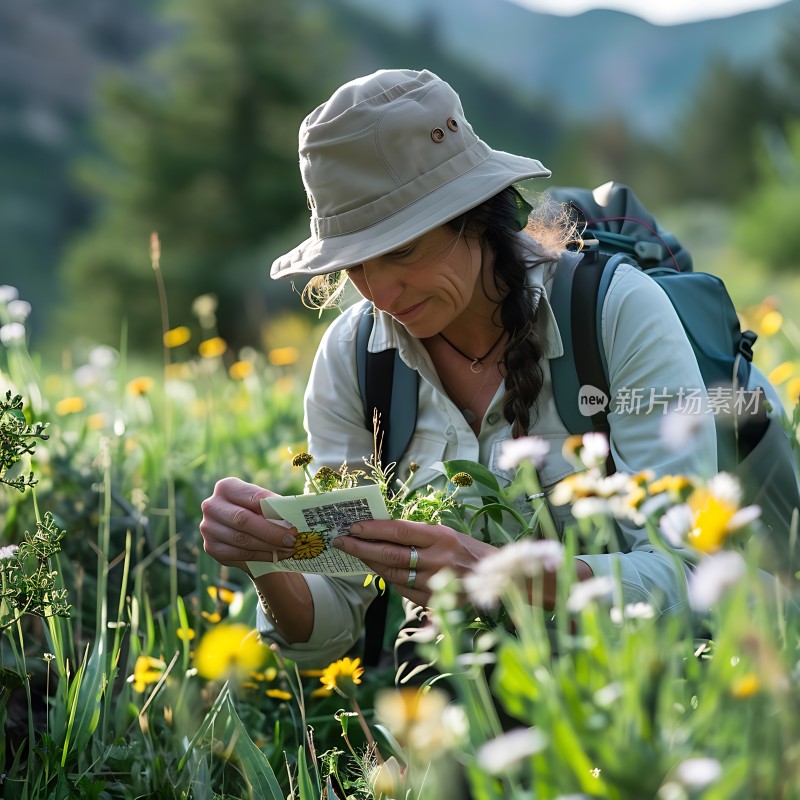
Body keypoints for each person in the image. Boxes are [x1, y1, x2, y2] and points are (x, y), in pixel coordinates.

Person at [199, 68, 716, 677]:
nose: (380, 292)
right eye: (354, 265)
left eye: (401, 250)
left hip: (637, 685)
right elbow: (330, 628)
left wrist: (497, 574)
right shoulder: (355, 356)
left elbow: (694, 575)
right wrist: (267, 560)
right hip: (456, 689)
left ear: (476, 215)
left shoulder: (614, 313)